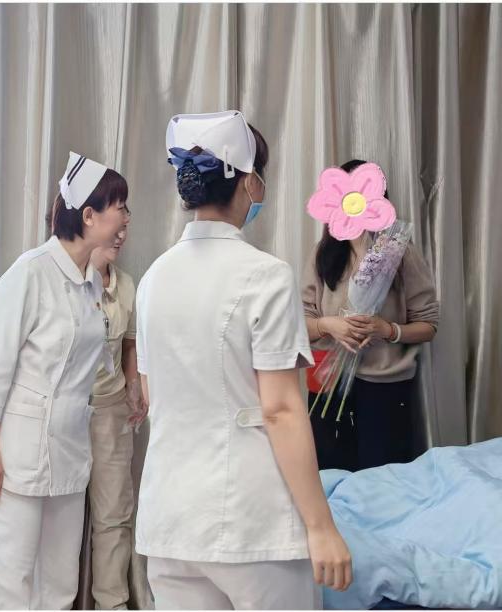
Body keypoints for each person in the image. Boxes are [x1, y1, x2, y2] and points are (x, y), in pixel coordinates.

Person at [134, 111, 352, 610]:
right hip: (252, 523)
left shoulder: (152, 279)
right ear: (250, 182)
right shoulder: (266, 276)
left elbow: (152, 396)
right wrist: (321, 527)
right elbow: (282, 410)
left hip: (170, 522)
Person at [0, 153, 130, 609]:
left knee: (60, 580)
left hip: (71, 450)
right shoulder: (29, 273)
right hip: (20, 453)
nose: (126, 218)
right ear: (89, 216)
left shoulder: (91, 284)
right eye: (120, 208)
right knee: (11, 576)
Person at [302, 159, 439, 472]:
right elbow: (298, 325)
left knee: (383, 478)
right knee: (331, 476)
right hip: (328, 385)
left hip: (385, 387)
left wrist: (387, 330)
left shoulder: (399, 252)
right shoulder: (322, 254)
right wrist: (328, 326)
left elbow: (429, 325)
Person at [87, 223, 147, 610]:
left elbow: (129, 346)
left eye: (128, 223)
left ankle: (112, 603)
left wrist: (134, 387)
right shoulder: (61, 280)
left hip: (110, 410)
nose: (122, 233)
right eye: (116, 221)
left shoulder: (126, 285)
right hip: (64, 411)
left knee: (114, 516)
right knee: (55, 516)